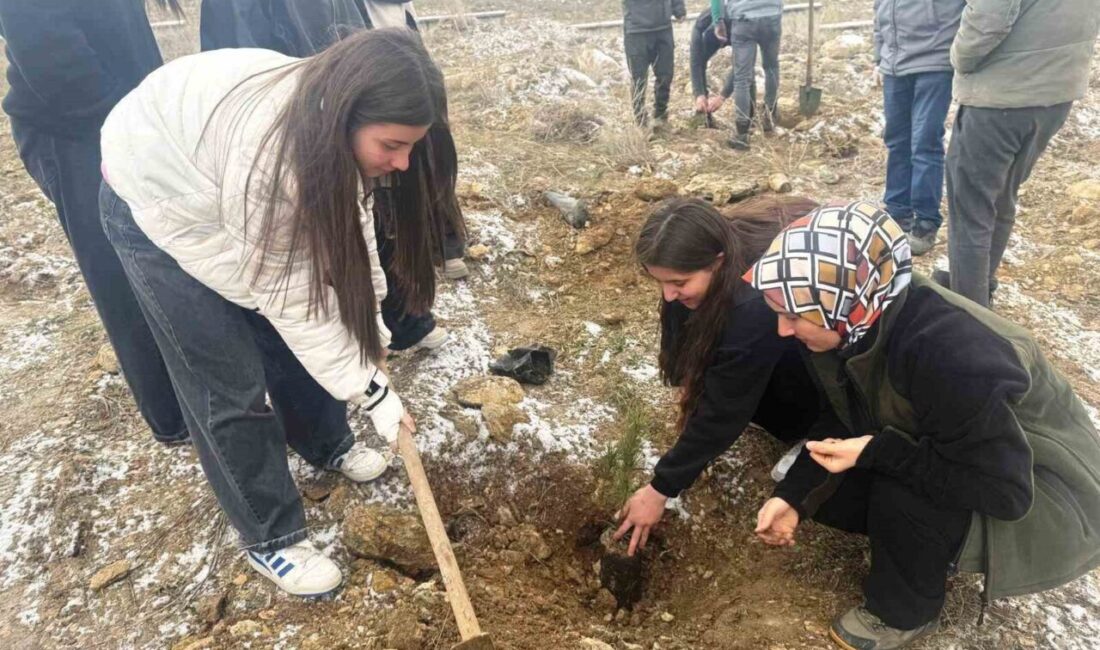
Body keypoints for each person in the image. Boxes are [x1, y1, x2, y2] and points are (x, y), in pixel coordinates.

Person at [99, 28, 445, 597]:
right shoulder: (272, 158)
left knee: (286, 328)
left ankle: (324, 441)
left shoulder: (329, 123)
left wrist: (370, 335)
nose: (403, 163)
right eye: (393, 145)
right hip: (159, 199)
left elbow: (346, 245)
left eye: (411, 146)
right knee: (225, 378)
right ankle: (271, 539)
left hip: (215, 180)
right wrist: (370, 388)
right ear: (350, 116)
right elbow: (292, 296)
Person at [745, 201, 1100, 648]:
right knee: (834, 497)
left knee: (901, 494)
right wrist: (792, 497)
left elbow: (1005, 491)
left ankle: (903, 613)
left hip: (1047, 492)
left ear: (842, 298)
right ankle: (927, 548)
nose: (782, 330)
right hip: (969, 454)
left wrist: (877, 453)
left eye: (793, 315)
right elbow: (841, 415)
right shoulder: (862, 315)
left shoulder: (948, 354)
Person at [199, 0, 467, 352]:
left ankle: (396, 323)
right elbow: (283, 291)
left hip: (355, 100)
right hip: (300, 130)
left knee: (370, 220)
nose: (403, 163)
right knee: (300, 287)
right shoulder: (266, 165)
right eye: (394, 146)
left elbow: (364, 239)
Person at [0, 0, 191, 445]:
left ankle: (190, 385)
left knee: (156, 250)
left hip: (128, 111)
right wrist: (127, 122)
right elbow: (52, 58)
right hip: (76, 131)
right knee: (117, 269)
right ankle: (171, 413)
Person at [615, 195, 823, 556]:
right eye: (660, 282)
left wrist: (660, 489)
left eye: (679, 281)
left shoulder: (755, 303)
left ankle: (813, 434)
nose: (667, 294)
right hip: (772, 341)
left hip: (820, 373)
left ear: (718, 262)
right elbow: (691, 356)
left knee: (759, 399)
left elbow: (725, 409)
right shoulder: (716, 248)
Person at [943, 0, 1100, 307]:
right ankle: (977, 285)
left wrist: (958, 57)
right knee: (1001, 196)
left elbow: (986, 21)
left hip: (1001, 96)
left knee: (971, 209)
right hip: (1055, 94)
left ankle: (968, 314)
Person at [872, 0, 964, 256]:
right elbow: (879, 9)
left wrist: (960, 52)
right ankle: (897, 212)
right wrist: (879, 56)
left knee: (924, 143)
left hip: (934, 62)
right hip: (894, 64)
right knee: (896, 141)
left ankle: (925, 222)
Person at [711, 0, 783, 150]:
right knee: (771, 67)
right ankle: (770, 117)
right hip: (771, 15)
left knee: (742, 77)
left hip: (744, 19)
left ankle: (742, 135)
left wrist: (718, 20)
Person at [622, 0, 687, 127]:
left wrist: (679, 9)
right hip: (636, 30)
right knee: (638, 79)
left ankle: (660, 115)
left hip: (662, 28)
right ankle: (640, 120)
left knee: (665, 75)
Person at [688, 8, 739, 124]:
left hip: (739, 27)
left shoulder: (739, 25)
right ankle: (704, 112)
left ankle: (747, 117)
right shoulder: (701, 27)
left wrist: (722, 96)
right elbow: (696, 61)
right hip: (711, 33)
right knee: (701, 60)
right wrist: (699, 94)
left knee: (745, 71)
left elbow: (740, 65)